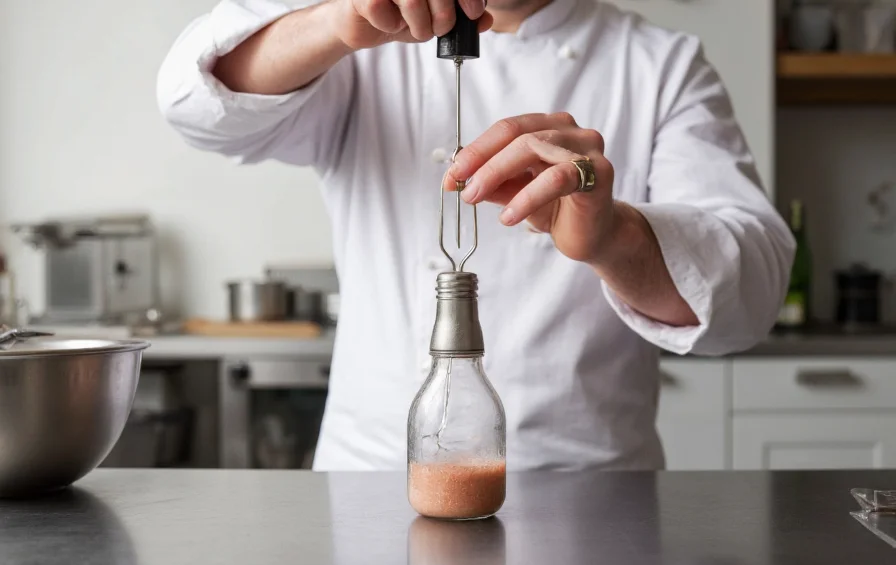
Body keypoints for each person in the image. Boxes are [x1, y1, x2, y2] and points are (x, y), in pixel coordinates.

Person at [158, 0, 794, 471]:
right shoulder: (364, 45)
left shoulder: (660, 64)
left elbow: (750, 299)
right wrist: (337, 22)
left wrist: (613, 236)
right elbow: (194, 101)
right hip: (373, 482)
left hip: (590, 489)